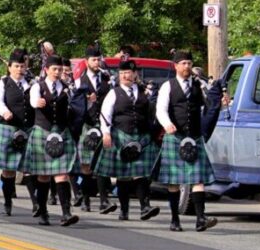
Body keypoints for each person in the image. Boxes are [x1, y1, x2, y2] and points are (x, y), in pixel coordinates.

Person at [155, 51, 220, 232]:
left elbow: (208, 105)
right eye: (183, 63)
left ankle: (200, 219)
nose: (187, 67)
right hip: (175, 137)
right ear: (176, 66)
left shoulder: (199, 85)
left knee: (198, 179)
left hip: (194, 137)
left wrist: (219, 100)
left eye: (189, 63)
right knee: (174, 182)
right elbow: (160, 109)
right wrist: (167, 124)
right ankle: (175, 219)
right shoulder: (168, 86)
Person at [96, 60, 161, 221]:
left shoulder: (143, 92)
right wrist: (106, 133)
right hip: (120, 136)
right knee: (123, 176)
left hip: (142, 137)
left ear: (135, 74)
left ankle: (145, 207)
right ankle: (124, 210)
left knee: (142, 174)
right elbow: (105, 115)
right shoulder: (114, 93)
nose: (125, 76)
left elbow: (152, 113)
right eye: (122, 73)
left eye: (128, 73)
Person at [21, 55, 80, 226]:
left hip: (61, 133)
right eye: (54, 69)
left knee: (62, 174)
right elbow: (32, 101)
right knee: (44, 176)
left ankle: (66, 213)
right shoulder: (37, 87)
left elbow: (75, 107)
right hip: (42, 132)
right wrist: (37, 103)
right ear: (46, 70)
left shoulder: (66, 88)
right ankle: (43, 212)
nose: (57, 72)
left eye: (60, 70)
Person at [0, 49, 35, 216]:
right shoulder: (2, 83)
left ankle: (36, 204)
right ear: (10, 67)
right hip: (8, 128)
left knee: (29, 168)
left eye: (22, 66)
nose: (19, 69)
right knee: (8, 170)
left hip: (27, 129)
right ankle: (7, 201)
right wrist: (4, 111)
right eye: (16, 66)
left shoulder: (32, 84)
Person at [74, 45, 116, 213]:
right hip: (87, 125)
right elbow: (75, 106)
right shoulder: (79, 81)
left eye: (98, 59)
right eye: (93, 60)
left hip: (104, 126)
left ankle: (104, 201)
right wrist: (87, 101)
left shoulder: (108, 80)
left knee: (102, 164)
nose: (97, 62)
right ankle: (86, 200)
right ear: (86, 62)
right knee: (86, 166)